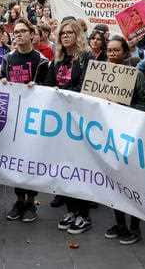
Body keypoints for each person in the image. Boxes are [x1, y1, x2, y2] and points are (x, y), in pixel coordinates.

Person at [96, 35, 145, 245]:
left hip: (128, 133)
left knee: (132, 181)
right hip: (107, 134)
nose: (112, 54)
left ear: (125, 53)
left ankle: (135, 227)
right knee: (113, 180)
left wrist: (122, 109)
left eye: (116, 50)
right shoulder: (99, 74)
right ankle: (119, 223)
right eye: (109, 50)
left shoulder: (136, 75)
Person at [43, 19, 95, 234]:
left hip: (80, 122)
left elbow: (86, 86)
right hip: (61, 122)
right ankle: (71, 209)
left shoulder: (86, 58)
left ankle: (84, 214)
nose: (65, 36)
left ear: (77, 35)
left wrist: (63, 93)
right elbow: (47, 85)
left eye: (69, 33)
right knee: (65, 167)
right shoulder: (57, 60)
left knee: (79, 167)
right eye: (62, 33)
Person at [0, 18, 48, 223]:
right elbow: (3, 80)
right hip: (14, 118)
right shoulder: (7, 59)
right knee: (15, 162)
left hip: (33, 119)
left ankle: (30, 201)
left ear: (31, 34)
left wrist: (37, 87)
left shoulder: (42, 60)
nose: (18, 34)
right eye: (15, 32)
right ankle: (19, 200)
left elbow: (47, 89)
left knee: (31, 159)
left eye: (22, 31)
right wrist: (3, 82)